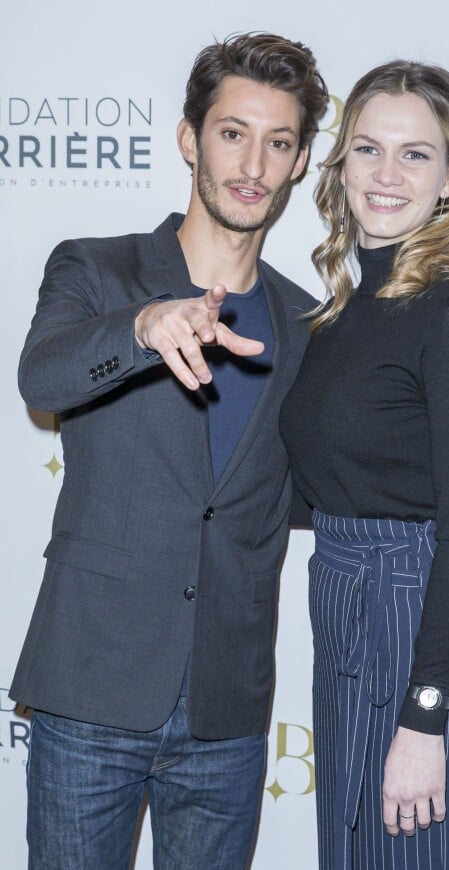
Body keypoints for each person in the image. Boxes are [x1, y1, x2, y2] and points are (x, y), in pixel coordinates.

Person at [11, 32, 328, 870]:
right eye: (233, 132)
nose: (254, 160)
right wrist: (146, 326)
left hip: (228, 711)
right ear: (190, 139)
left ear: (300, 163)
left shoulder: (308, 326)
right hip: (92, 688)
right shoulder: (98, 269)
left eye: (280, 140)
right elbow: (41, 377)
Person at [280, 60, 449, 869]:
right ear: (340, 162)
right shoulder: (343, 312)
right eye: (368, 148)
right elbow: (330, 488)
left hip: (414, 623)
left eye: (416, 155)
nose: (386, 175)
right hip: (343, 607)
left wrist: (424, 718)